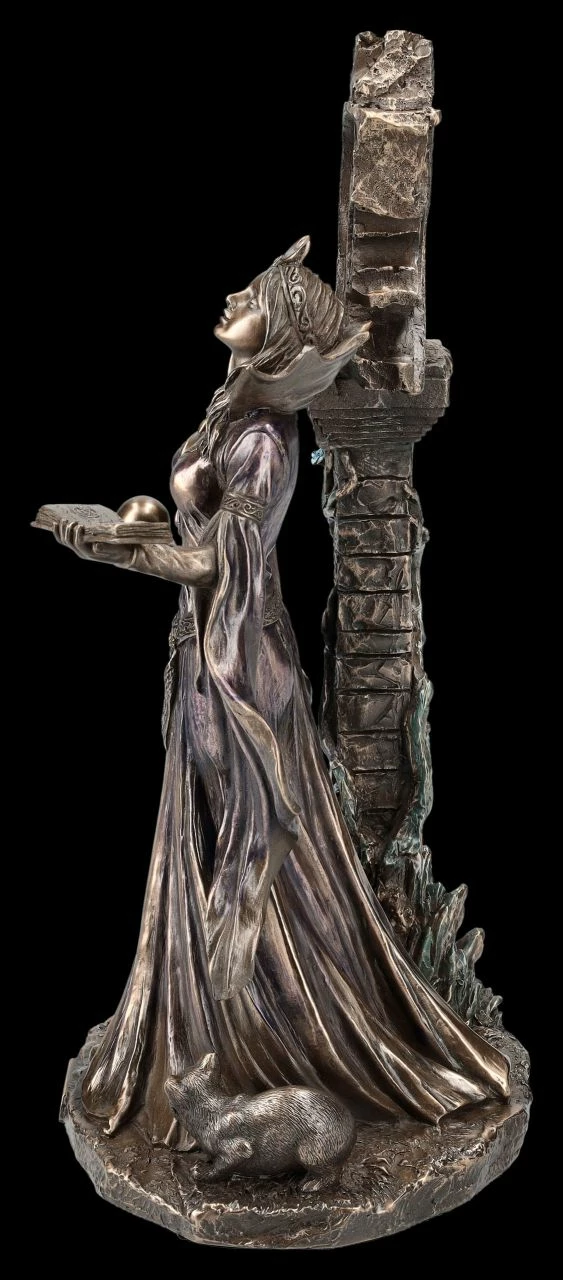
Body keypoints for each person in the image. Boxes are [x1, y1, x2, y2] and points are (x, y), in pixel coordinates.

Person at [54, 237, 510, 1146]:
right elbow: (203, 544)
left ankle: (268, 1029)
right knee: (211, 828)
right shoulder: (235, 409)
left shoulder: (263, 441)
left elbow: (220, 569)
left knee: (252, 838)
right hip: (206, 650)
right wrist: (141, 532)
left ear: (283, 333)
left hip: (241, 669)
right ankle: (208, 1037)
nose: (233, 296)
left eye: (256, 295)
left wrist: (119, 553)